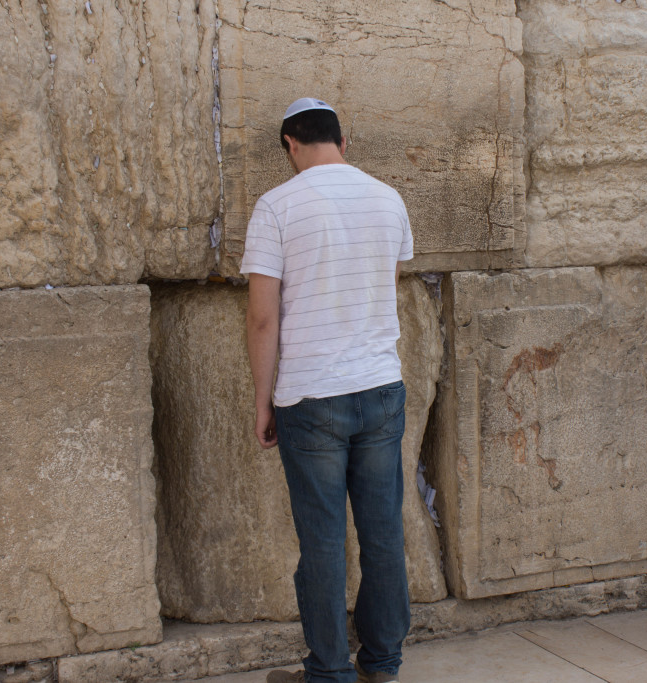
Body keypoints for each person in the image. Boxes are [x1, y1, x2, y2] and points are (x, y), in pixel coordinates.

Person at [242, 97, 413, 682]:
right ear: (345, 141)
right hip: (381, 388)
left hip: (312, 396)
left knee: (322, 543)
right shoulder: (389, 199)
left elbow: (264, 318)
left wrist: (263, 400)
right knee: (384, 533)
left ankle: (329, 672)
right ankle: (383, 662)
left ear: (289, 143)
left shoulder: (276, 206)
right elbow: (385, 288)